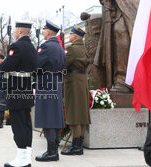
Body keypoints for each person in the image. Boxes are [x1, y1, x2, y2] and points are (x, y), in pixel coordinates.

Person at [0, 21, 37, 167]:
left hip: (16, 89)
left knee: (18, 124)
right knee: (26, 123)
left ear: (21, 31)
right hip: (27, 88)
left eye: (16, 30)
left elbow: (5, 66)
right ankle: (26, 157)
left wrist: (4, 63)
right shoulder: (33, 48)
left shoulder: (16, 46)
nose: (15, 32)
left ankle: (21, 158)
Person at [34, 20, 66, 162]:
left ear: (49, 32)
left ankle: (51, 152)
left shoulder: (46, 46)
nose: (43, 32)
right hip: (57, 82)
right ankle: (54, 150)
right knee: (55, 116)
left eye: (44, 29)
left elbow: (36, 64)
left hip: (46, 82)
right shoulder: (59, 47)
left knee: (48, 116)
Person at [61, 25, 91, 155]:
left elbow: (62, 64)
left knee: (73, 115)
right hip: (82, 82)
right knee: (82, 115)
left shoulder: (71, 49)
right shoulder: (84, 48)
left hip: (72, 83)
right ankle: (79, 145)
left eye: (71, 34)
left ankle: (76, 147)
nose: (69, 36)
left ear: (76, 36)